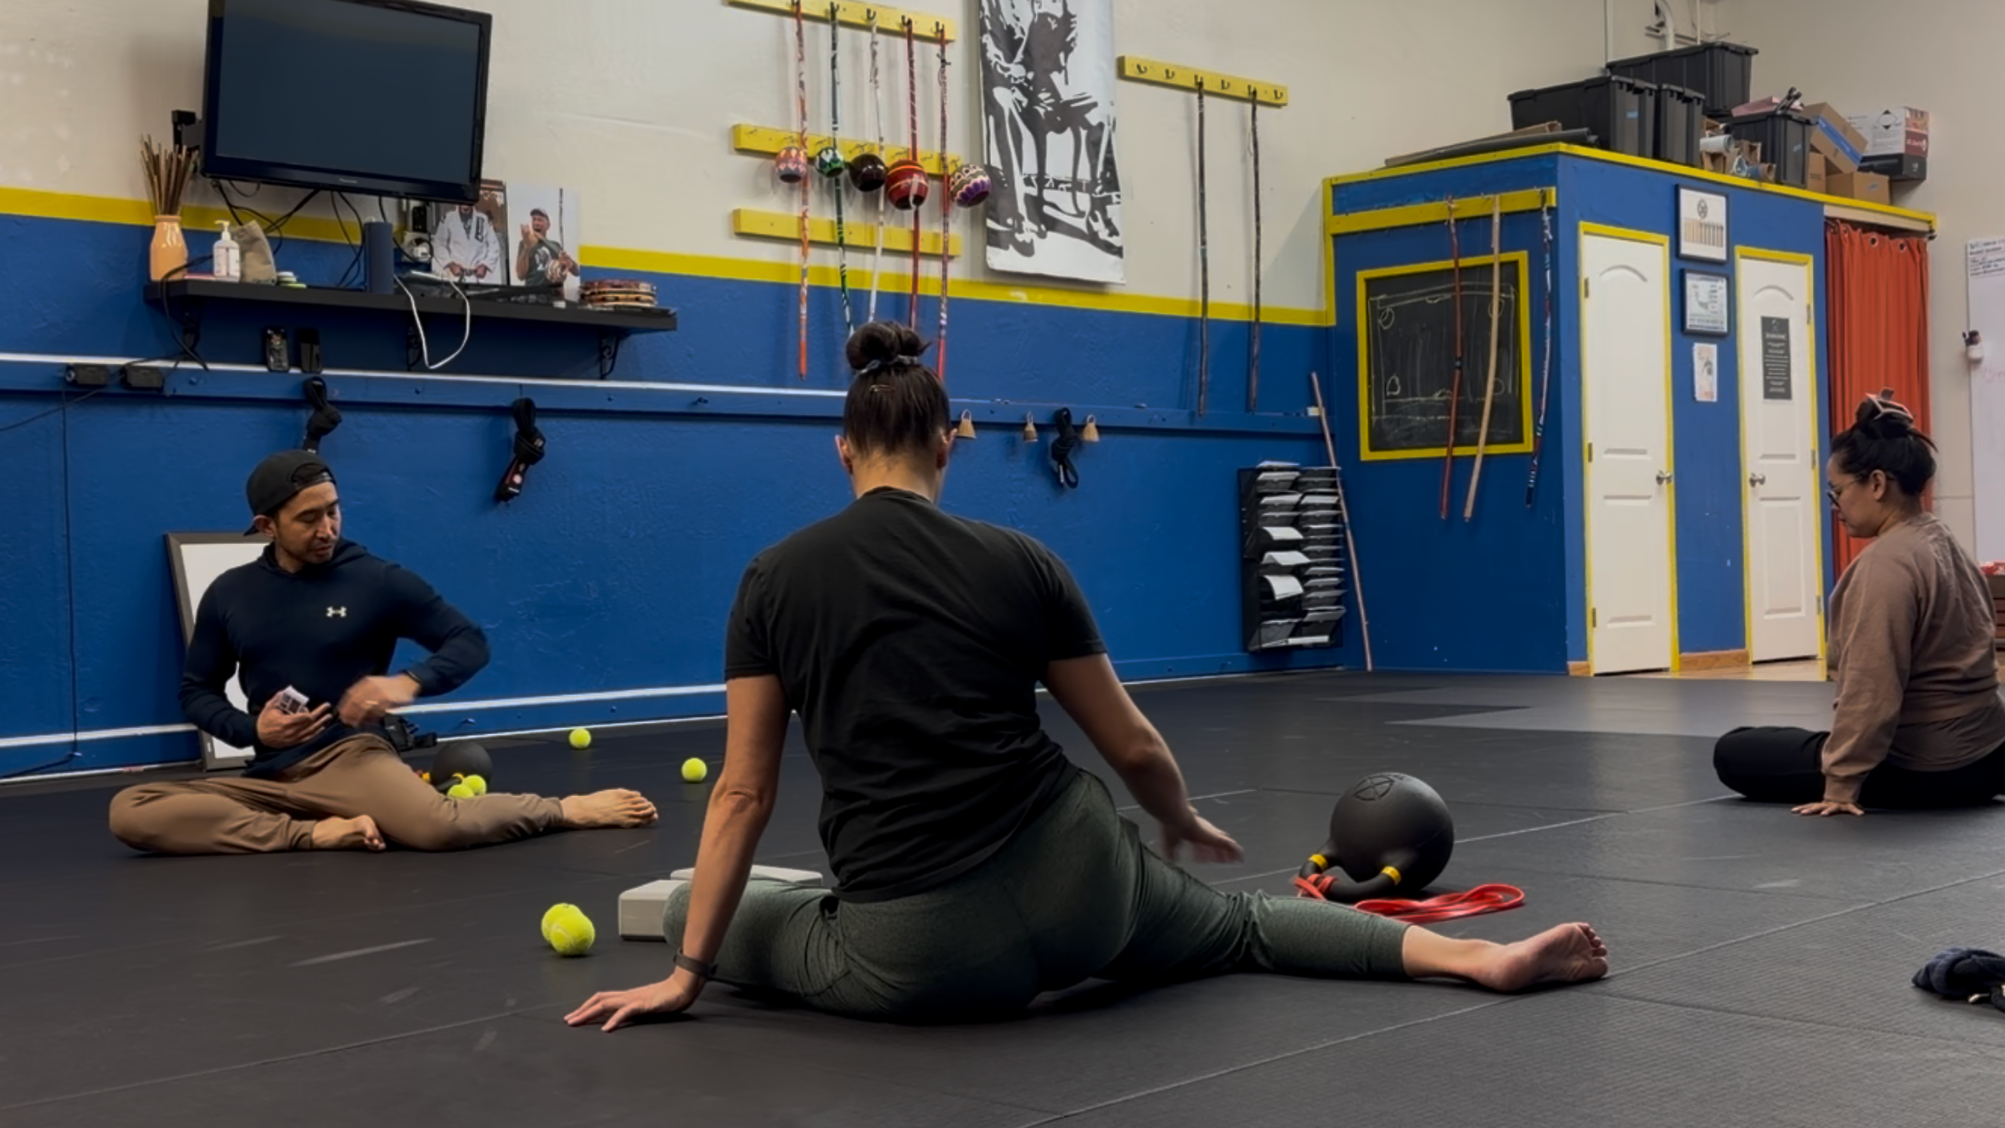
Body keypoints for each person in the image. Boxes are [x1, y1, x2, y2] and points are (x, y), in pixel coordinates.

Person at [565, 323, 1608, 1031]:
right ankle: (1479, 960)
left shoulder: (773, 578)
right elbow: (1133, 744)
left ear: (843, 451)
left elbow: (743, 793)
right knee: (1243, 925)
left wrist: (685, 975)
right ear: (947, 444)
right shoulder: (1023, 560)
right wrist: (1179, 821)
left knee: (705, 901)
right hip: (1083, 885)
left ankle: (723, 937)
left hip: (926, 954)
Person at [108, 450, 656, 854]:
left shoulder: (376, 580)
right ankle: (314, 833)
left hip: (351, 758)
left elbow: (469, 642)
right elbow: (196, 690)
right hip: (270, 777)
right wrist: (255, 731)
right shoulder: (230, 592)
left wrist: (406, 682)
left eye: (333, 511)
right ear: (266, 526)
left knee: (439, 827)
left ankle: (564, 809)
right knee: (130, 811)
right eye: (308, 519)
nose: (327, 529)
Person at [1715, 391, 2005, 815]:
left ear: (1877, 484)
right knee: (1780, 739)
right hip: (1990, 760)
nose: (1836, 506)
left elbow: (1872, 687)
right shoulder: (1945, 543)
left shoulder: (1886, 564)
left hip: (1929, 771)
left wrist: (1841, 784)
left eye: (1837, 491)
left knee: (1734, 750)